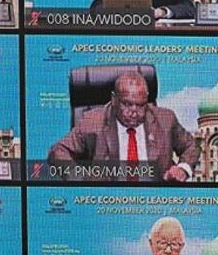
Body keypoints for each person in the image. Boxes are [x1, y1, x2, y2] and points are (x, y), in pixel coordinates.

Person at [48, 71, 198, 181]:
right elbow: (58, 152)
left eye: (140, 105)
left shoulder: (165, 119)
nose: (134, 112)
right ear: (114, 100)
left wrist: (182, 168)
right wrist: (82, 179)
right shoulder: (92, 121)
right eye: (127, 104)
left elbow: (191, 146)